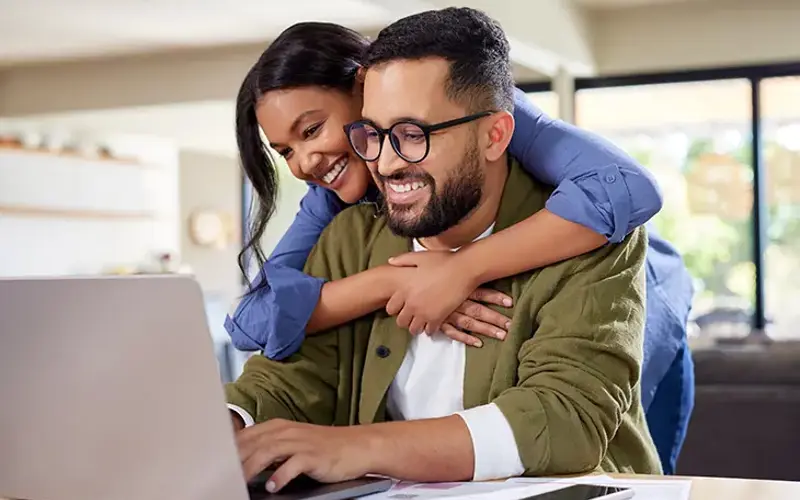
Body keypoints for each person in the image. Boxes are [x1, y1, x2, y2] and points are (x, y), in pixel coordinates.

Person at [225, 7, 662, 493]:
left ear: (494, 135)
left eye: (413, 134)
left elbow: (563, 420)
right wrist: (224, 426)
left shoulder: (591, 231)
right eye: (372, 134)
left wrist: (354, 446)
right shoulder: (347, 230)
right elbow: (288, 371)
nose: (386, 164)